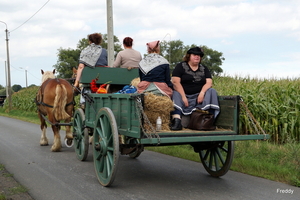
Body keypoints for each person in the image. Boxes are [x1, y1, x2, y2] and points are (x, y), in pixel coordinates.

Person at [170, 47, 220, 131]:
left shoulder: (204, 68)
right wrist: (183, 97)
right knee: (175, 93)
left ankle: (209, 121)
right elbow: (175, 82)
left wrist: (202, 93)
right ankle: (177, 121)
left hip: (199, 97)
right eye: (194, 55)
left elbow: (209, 83)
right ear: (189, 56)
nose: (197, 57)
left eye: (199, 55)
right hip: (183, 95)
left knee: (212, 91)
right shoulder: (180, 66)